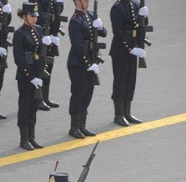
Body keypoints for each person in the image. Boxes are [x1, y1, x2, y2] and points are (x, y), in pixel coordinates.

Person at [66, 0, 107, 139]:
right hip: (78, 63)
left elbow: (104, 33)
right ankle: (74, 127)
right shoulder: (75, 21)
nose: (87, 2)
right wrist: (88, 63)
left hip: (91, 61)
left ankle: (82, 126)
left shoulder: (91, 15)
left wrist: (100, 27)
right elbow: (77, 46)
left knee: (88, 93)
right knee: (78, 94)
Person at [13, 2, 47, 151]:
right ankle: (24, 138)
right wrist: (31, 77)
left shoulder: (38, 29)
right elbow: (19, 59)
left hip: (37, 75)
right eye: (32, 16)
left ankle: (32, 137)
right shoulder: (19, 34)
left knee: (33, 106)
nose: (35, 19)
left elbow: (41, 55)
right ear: (25, 16)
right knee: (25, 106)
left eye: (36, 16)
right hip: (26, 77)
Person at [109, 0, 148, 126]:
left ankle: (127, 112)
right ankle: (118, 115)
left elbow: (141, 26)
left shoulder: (135, 4)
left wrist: (145, 16)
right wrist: (130, 48)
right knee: (120, 81)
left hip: (133, 49)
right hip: (120, 51)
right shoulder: (117, 8)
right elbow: (118, 32)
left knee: (131, 81)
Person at [36, 0, 65, 111]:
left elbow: (57, 13)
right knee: (40, 67)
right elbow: (34, 13)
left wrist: (59, 6)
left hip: (52, 34)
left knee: (49, 66)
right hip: (41, 34)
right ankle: (38, 98)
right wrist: (48, 15)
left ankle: (45, 96)